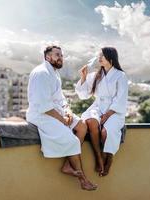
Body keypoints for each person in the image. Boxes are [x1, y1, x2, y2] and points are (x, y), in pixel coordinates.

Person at [26, 45, 97, 191]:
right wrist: (62, 119)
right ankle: (83, 179)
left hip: (57, 113)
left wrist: (68, 112)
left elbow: (61, 98)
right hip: (41, 115)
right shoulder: (42, 73)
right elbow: (44, 105)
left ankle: (67, 165)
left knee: (82, 126)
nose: (60, 57)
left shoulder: (54, 73)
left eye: (61, 55)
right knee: (72, 140)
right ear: (48, 57)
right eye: (57, 55)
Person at [75, 47, 128, 176]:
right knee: (91, 122)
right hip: (97, 107)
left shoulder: (120, 76)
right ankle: (99, 158)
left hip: (114, 110)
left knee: (105, 132)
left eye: (102, 55)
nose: (99, 58)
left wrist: (108, 114)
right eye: (99, 55)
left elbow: (121, 98)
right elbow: (83, 95)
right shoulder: (95, 75)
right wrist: (83, 77)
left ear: (110, 57)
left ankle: (108, 159)